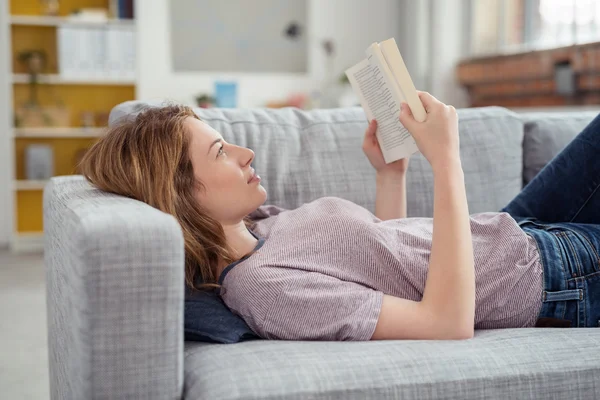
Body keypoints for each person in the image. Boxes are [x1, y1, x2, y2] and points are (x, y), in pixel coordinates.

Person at [79, 93, 600, 341]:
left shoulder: (258, 225)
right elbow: (445, 322)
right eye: (219, 152)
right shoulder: (263, 289)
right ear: (179, 196)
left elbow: (387, 264)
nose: (245, 153)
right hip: (550, 276)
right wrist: (446, 161)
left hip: (511, 229)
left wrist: (390, 176)